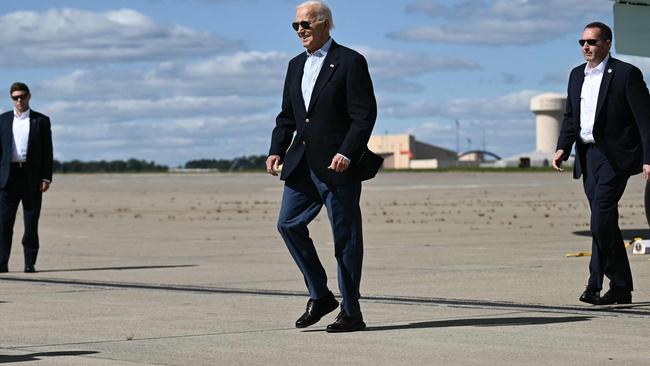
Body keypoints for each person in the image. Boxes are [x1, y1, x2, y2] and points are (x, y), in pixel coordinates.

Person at [266, 0, 382, 332]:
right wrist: (277, 149)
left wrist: (347, 152)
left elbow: (364, 116)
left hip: (338, 166)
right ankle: (320, 295)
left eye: (306, 23)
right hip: (301, 163)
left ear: (325, 23)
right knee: (288, 225)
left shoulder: (350, 61)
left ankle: (351, 311)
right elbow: (288, 116)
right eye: (296, 25)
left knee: (345, 237)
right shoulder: (293, 65)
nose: (300, 30)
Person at [553, 22, 650, 305]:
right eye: (582, 42)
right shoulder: (575, 76)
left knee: (600, 218)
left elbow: (646, 121)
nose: (586, 47)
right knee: (604, 223)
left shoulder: (626, 74)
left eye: (592, 42)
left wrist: (648, 158)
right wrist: (562, 146)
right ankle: (618, 287)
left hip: (614, 157)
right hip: (587, 156)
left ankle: (595, 284)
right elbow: (571, 116)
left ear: (607, 43)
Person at [0, 82, 53, 273]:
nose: (19, 100)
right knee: (4, 223)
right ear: (11, 99)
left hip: (32, 178)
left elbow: (48, 151)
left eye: (22, 96)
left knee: (31, 222)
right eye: (15, 97)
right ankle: (2, 262)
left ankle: (29, 263)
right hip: (8, 177)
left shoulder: (41, 120)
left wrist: (46, 177)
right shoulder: (3, 120)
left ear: (29, 96)